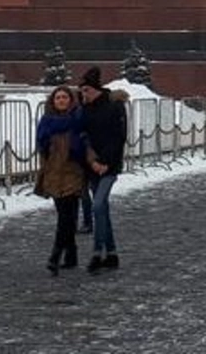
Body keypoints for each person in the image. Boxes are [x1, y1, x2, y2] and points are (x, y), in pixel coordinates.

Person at [34, 86, 88, 275]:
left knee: (66, 217)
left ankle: (55, 255)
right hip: (54, 173)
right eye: (58, 97)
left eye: (65, 97)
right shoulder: (46, 123)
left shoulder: (78, 119)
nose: (62, 100)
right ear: (53, 101)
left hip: (73, 171)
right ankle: (71, 253)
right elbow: (42, 147)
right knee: (66, 216)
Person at [80, 66, 129, 272]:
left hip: (109, 165)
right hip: (91, 165)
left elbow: (118, 137)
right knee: (103, 210)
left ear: (96, 89)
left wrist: (106, 162)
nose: (83, 95)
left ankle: (97, 252)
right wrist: (92, 161)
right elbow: (82, 136)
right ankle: (112, 253)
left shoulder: (115, 106)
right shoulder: (83, 109)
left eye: (86, 91)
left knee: (98, 205)